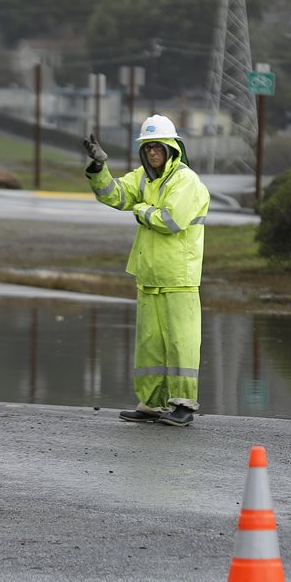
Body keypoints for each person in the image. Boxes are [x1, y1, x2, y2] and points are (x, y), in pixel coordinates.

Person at [83, 115, 210, 427]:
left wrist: (139, 209)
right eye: (148, 147)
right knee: (149, 345)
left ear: (171, 148)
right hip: (150, 276)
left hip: (179, 278)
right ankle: (152, 404)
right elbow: (115, 194)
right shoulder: (145, 178)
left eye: (158, 147)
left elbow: (170, 220)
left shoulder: (185, 181)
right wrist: (99, 168)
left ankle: (183, 404)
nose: (153, 152)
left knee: (181, 344)